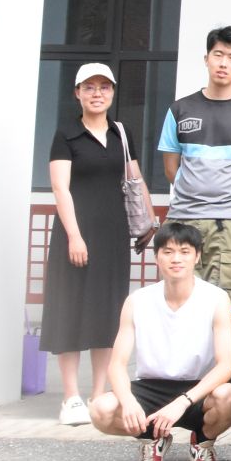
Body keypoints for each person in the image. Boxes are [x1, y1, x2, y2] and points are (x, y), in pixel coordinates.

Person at [159, 27, 231, 366]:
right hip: (183, 221)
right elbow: (171, 168)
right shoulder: (180, 110)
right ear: (206, 59)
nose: (224, 63)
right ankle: (180, 381)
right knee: (178, 305)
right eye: (218, 55)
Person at [89, 221, 231, 461]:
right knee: (100, 410)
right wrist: (128, 402)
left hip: (197, 389)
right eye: (168, 252)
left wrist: (183, 402)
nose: (176, 259)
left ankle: (202, 442)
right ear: (157, 257)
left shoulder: (216, 298)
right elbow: (117, 364)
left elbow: (226, 364)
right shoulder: (137, 301)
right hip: (150, 387)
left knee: (229, 395)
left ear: (197, 256)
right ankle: (152, 438)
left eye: (184, 251)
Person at [42, 62, 144, 426]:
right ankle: (70, 397)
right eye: (89, 87)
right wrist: (74, 235)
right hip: (75, 235)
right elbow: (60, 188)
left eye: (104, 87)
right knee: (69, 311)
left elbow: (135, 179)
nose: (97, 93)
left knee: (107, 315)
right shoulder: (66, 134)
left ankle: (98, 393)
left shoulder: (122, 134)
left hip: (113, 236)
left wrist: (147, 222)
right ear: (77, 93)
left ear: (113, 92)